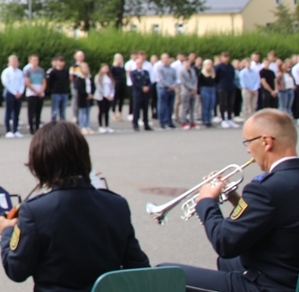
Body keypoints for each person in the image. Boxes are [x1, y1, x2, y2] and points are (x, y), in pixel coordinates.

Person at [0, 121, 149, 291]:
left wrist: (6, 233)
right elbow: (139, 268)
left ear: (41, 162)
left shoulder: (35, 212)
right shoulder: (117, 205)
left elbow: (16, 270)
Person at [163, 109, 299, 291]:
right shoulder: (282, 183)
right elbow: (275, 215)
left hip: (271, 285)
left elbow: (225, 242)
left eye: (249, 142)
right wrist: (235, 199)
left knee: (164, 274)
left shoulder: (265, 189)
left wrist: (206, 201)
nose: (248, 149)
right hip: (290, 270)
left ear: (266, 142)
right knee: (228, 262)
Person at [2, 55, 25, 138]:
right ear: (9, 63)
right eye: (12, 61)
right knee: (8, 112)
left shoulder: (20, 72)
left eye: (16, 61)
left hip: (19, 94)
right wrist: (15, 92)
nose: (14, 63)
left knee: (17, 112)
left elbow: (22, 83)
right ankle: (8, 130)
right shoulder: (6, 72)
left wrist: (20, 92)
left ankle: (15, 130)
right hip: (10, 93)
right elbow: (6, 83)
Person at [128, 55, 153, 132]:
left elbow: (149, 81)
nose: (140, 64)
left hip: (145, 93)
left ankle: (146, 124)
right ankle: (135, 124)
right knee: (136, 109)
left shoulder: (146, 72)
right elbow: (134, 83)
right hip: (138, 93)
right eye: (138, 63)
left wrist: (148, 87)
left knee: (145, 109)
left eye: (141, 63)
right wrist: (142, 88)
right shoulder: (133, 73)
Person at [23, 55, 46, 135]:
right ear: (30, 61)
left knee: (38, 112)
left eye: (37, 60)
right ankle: (31, 128)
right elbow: (27, 83)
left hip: (40, 93)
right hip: (31, 93)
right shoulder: (28, 71)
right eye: (34, 60)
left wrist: (41, 91)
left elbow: (44, 82)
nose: (36, 61)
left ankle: (37, 127)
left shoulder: (41, 70)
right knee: (31, 112)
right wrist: (36, 91)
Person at [156, 54, 178, 130]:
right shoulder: (159, 68)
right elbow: (161, 79)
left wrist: (173, 86)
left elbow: (176, 78)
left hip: (171, 89)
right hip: (163, 89)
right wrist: (169, 86)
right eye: (164, 58)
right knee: (162, 106)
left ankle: (169, 121)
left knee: (170, 106)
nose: (166, 60)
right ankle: (162, 122)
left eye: (167, 58)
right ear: (162, 60)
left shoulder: (172, 69)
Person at [46, 56, 70, 122]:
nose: (61, 63)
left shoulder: (66, 71)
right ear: (57, 62)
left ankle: (63, 123)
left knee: (63, 111)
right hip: (56, 93)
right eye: (60, 61)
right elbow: (50, 82)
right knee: (54, 111)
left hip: (64, 92)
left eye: (62, 61)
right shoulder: (53, 72)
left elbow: (67, 80)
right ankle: (53, 124)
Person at [73, 62, 94, 134]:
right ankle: (83, 127)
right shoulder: (79, 78)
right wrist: (86, 95)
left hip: (90, 97)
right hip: (82, 98)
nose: (86, 69)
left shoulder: (89, 77)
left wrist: (91, 94)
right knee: (82, 112)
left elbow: (93, 86)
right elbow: (80, 88)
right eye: (84, 68)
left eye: (87, 67)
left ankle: (87, 126)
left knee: (88, 112)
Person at [95, 64, 114, 134]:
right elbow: (99, 87)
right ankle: (100, 126)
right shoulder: (98, 77)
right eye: (104, 68)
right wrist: (106, 95)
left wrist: (111, 94)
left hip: (109, 96)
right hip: (101, 96)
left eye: (107, 68)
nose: (106, 69)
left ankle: (107, 126)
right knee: (101, 111)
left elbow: (112, 86)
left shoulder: (109, 76)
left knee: (106, 111)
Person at [110, 54, 127, 122]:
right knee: (115, 99)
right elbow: (111, 76)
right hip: (116, 83)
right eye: (118, 58)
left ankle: (120, 114)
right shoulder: (113, 67)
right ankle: (113, 113)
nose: (120, 60)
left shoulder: (122, 67)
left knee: (121, 99)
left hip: (122, 83)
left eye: (121, 58)